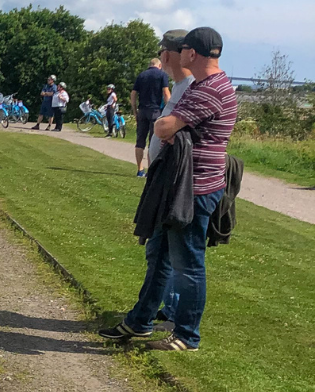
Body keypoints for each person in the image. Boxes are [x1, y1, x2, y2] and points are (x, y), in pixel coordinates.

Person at [100, 27, 236, 352]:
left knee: (188, 264)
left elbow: (163, 126)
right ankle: (140, 321)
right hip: (181, 183)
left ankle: (187, 336)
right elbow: (169, 128)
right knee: (160, 254)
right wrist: (173, 128)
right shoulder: (211, 84)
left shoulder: (207, 90)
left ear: (190, 53)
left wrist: (172, 127)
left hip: (192, 188)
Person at [146, 29, 194, 324]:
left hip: (175, 182)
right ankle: (169, 308)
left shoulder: (189, 89)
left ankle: (161, 313)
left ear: (167, 55)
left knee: (168, 254)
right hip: (164, 178)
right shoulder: (178, 87)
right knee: (163, 252)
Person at [131, 58, 172, 177]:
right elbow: (166, 93)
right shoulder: (162, 75)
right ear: (159, 65)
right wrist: (169, 110)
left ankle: (139, 169)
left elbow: (133, 94)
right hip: (155, 111)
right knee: (153, 141)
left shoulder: (141, 75)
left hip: (142, 110)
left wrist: (135, 110)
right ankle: (151, 169)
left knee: (140, 141)